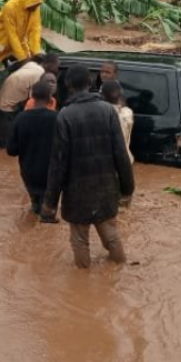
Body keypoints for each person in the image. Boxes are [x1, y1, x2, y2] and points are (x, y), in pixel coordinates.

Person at [42, 65, 135, 268]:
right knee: (111, 235)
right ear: (90, 83)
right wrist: (127, 188)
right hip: (106, 187)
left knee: (79, 239)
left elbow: (58, 163)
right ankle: (119, 269)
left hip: (77, 192)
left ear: (68, 85)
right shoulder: (109, 111)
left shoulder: (65, 116)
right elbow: (121, 153)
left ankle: (82, 287)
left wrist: (50, 202)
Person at [6, 80, 59, 214]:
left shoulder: (21, 118)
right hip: (52, 173)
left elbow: (11, 151)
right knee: (48, 212)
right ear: (50, 98)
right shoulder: (57, 118)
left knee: (35, 207)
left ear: (32, 97)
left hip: (29, 173)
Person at [0, 55, 47, 147]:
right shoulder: (40, 73)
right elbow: (33, 101)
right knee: (9, 145)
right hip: (8, 110)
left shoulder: (30, 65)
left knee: (5, 145)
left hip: (0, 104)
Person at [101, 80, 134, 165]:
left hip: (107, 163)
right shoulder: (127, 113)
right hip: (124, 160)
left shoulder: (101, 115)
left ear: (102, 96)